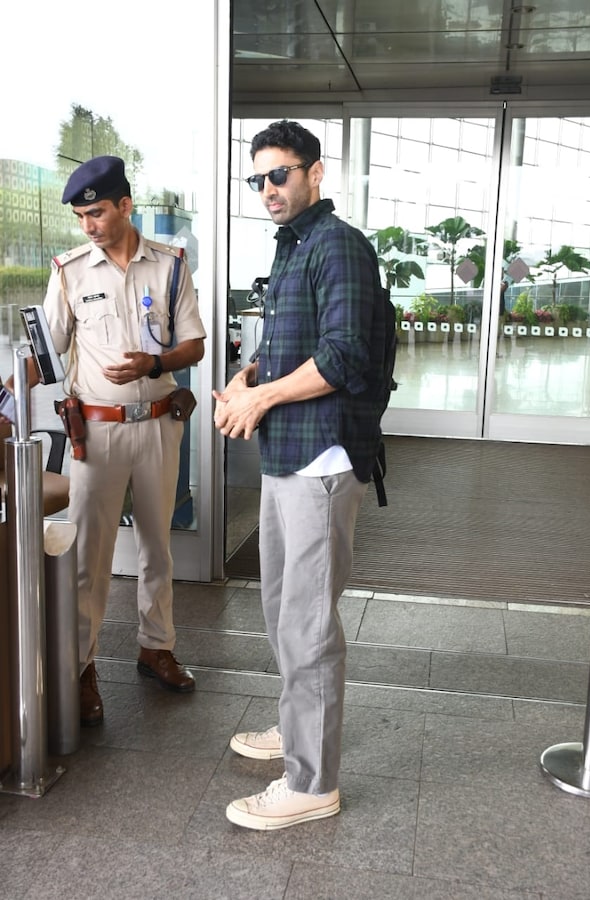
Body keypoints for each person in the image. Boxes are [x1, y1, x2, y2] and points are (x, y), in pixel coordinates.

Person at [213, 120, 388, 830]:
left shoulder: (338, 245)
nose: (266, 190)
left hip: (321, 459)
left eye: (278, 175)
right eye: (256, 179)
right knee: (285, 610)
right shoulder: (293, 249)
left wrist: (260, 398)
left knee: (310, 623)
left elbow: (344, 355)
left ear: (316, 173)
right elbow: (302, 343)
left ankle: (312, 782)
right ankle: (298, 728)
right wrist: (251, 374)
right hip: (288, 454)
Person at [1, 155, 206, 726]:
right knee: (90, 556)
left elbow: (195, 345)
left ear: (124, 205)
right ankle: (80, 667)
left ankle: (156, 646)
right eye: (80, 216)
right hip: (96, 429)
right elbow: (45, 357)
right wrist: (3, 400)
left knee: (157, 546)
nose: (88, 225)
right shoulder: (69, 271)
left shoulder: (169, 266)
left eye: (96, 212)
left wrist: (157, 360)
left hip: (159, 424)